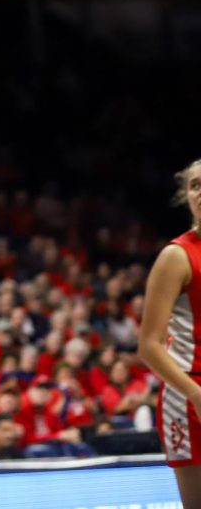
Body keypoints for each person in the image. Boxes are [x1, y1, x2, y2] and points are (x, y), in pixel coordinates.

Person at [139, 158, 201, 505]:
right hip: (188, 392)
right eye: (195, 185)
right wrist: (195, 395)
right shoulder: (176, 256)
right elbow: (149, 346)